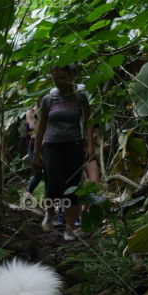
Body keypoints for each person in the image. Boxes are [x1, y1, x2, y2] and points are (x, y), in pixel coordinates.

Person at [33, 63, 95, 241]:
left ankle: (69, 228)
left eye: (63, 77)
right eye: (56, 78)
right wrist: (36, 154)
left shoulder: (81, 97)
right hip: (52, 145)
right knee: (53, 183)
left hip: (74, 144)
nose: (59, 82)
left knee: (72, 187)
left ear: (73, 77)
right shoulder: (49, 99)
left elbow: (89, 121)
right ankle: (50, 212)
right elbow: (41, 128)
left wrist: (90, 146)